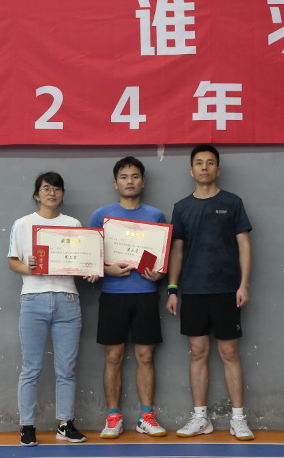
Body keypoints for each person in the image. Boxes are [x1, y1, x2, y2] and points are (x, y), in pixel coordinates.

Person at [166, 145, 255, 441]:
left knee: (229, 353)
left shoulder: (232, 202)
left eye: (210, 162)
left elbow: (244, 245)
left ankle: (238, 419)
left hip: (227, 290)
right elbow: (177, 251)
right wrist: (173, 289)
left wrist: (243, 285)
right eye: (199, 163)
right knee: (198, 352)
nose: (204, 167)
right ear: (191, 170)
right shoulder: (181, 207)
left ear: (218, 169)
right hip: (193, 291)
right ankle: (200, 418)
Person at [8, 172, 99, 446]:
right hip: (33, 299)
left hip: (67, 300)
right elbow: (13, 261)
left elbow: (81, 259)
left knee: (66, 369)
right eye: (46, 188)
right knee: (31, 368)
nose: (52, 193)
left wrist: (90, 269)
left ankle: (65, 424)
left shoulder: (73, 224)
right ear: (37, 194)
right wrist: (29, 267)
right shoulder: (23, 224)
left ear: (62, 194)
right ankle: (27, 426)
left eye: (57, 189)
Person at [88, 157, 168, 439]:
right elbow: (90, 258)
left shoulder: (156, 216)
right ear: (115, 183)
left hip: (146, 295)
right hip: (113, 296)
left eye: (135, 176)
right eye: (124, 177)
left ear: (143, 182)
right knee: (114, 357)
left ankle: (146, 417)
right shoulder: (101, 215)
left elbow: (163, 259)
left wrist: (159, 274)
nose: (129, 181)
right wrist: (107, 269)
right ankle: (113, 418)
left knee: (146, 356)